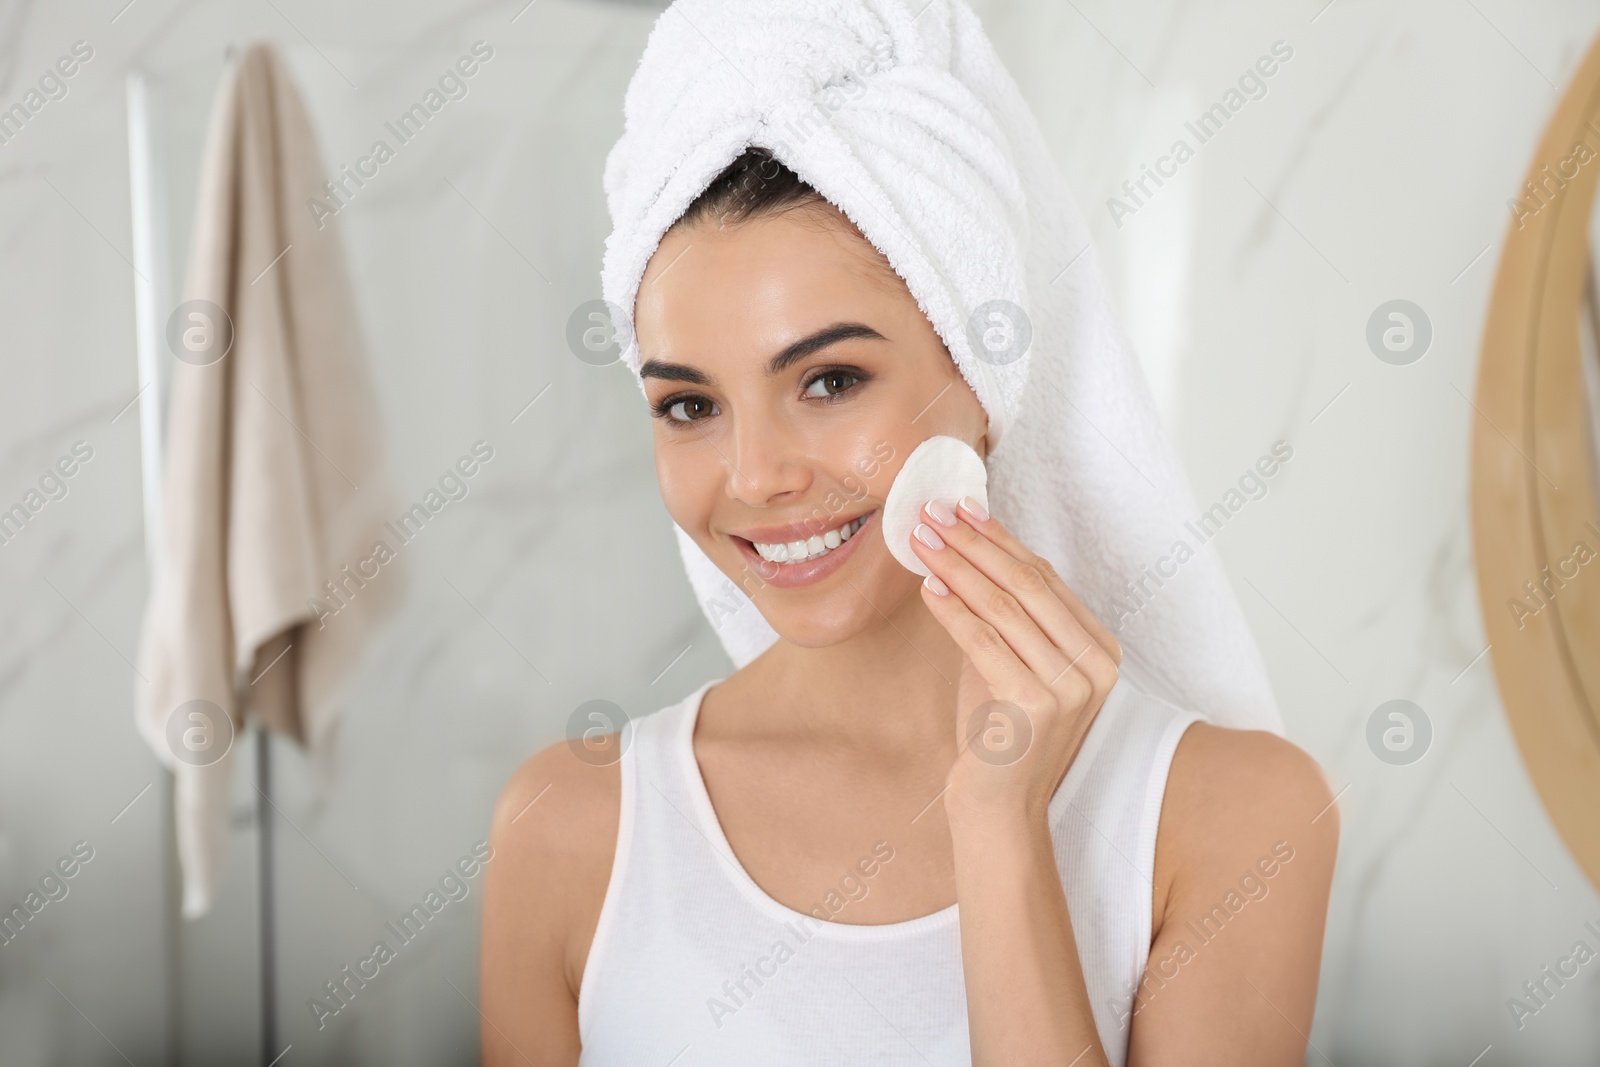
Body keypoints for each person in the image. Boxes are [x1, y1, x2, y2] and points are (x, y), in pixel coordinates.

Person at [483, 5, 1337, 1064]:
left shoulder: (1234, 816)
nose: (755, 476)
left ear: (983, 383)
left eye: (830, 380)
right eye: (689, 405)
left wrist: (999, 825)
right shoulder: (571, 823)